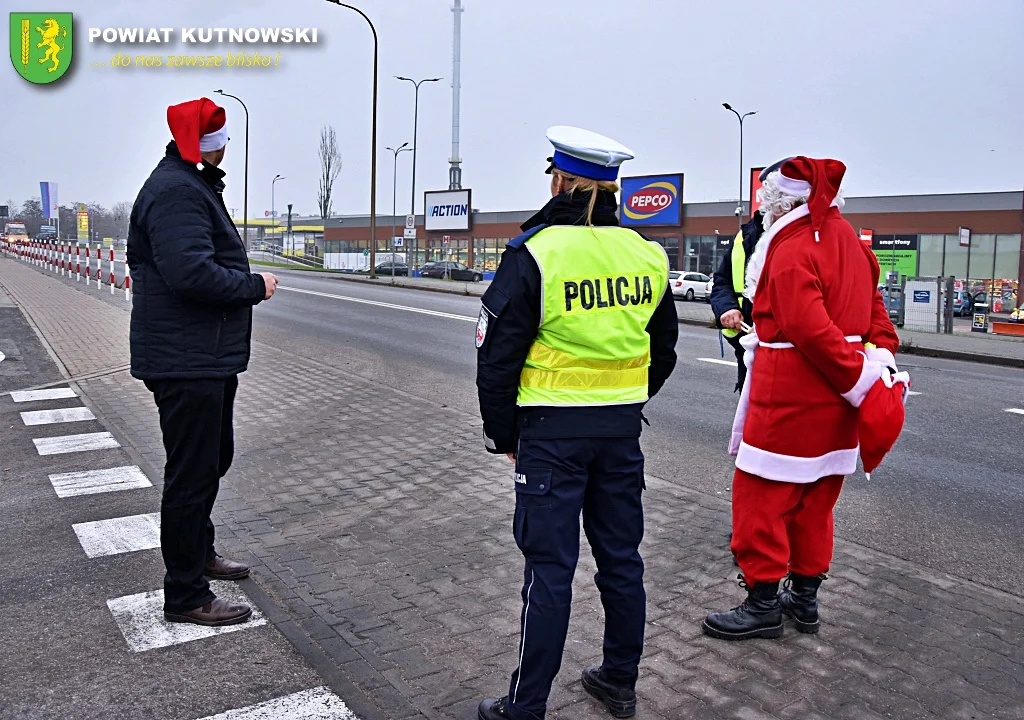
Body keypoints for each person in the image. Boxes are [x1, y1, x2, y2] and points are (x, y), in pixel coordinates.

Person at [475, 127, 678, 720]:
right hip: (619, 435)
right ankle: (619, 680)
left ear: (561, 181)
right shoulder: (646, 254)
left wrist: (503, 436)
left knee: (549, 570)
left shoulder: (536, 253)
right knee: (622, 560)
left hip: (551, 437)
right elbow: (661, 350)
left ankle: (525, 705)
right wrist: (625, 402)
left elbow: (497, 358)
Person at [703, 157, 908, 641]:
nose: (763, 210)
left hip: (789, 396)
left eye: (767, 201)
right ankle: (805, 599)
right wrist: (875, 364)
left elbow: (807, 328)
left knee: (759, 501)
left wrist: (856, 377)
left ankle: (762, 603)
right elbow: (878, 320)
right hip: (836, 407)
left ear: (782, 201)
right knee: (816, 502)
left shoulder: (792, 246)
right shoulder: (855, 246)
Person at [128, 97, 279, 627]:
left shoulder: (189, 184)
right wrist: (254, 286)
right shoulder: (176, 192)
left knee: (212, 461)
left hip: (204, 356)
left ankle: (201, 554)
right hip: (185, 359)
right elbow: (191, 274)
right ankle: (186, 594)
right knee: (191, 476)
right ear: (204, 144)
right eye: (219, 138)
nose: (225, 147)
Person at [710, 159, 791, 391]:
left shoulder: (815, 240)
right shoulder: (747, 235)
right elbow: (722, 280)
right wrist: (727, 308)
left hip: (793, 358)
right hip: (750, 348)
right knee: (753, 421)